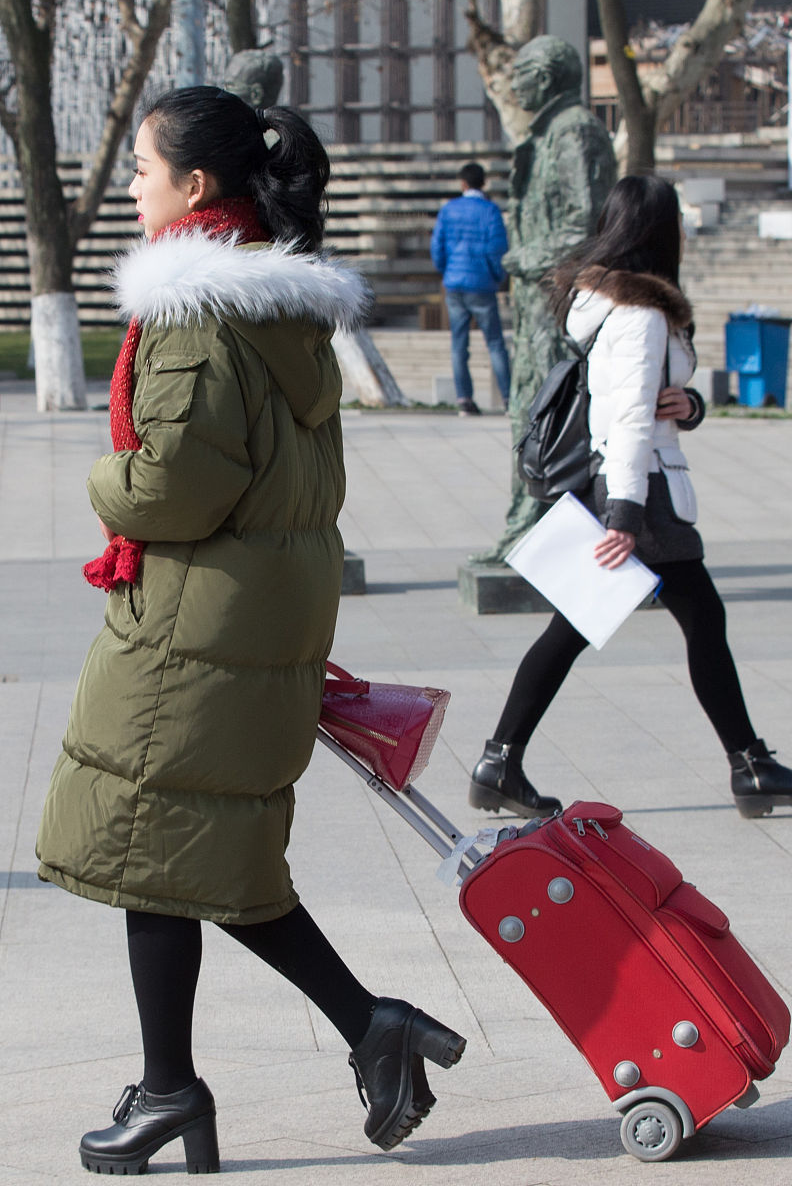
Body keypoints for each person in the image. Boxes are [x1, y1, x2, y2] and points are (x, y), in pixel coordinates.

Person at [35, 86, 465, 1176]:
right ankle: (224, 1071)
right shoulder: (280, 309)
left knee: (156, 845)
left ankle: (228, 1073)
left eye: (142, 166)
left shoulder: (189, 310)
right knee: (185, 850)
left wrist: (100, 476)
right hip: (245, 616)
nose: (130, 183)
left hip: (196, 628)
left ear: (194, 186)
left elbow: (174, 483)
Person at [469, 176, 792, 822]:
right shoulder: (638, 314)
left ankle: (500, 761)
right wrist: (627, 517)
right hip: (640, 492)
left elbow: (650, 403)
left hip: (627, 484)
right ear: (659, 233)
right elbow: (631, 418)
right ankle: (747, 765)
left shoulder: (613, 305)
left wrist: (687, 405)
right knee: (691, 618)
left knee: (587, 623)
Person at [473, 35, 615, 563]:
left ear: (549, 76)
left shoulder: (575, 131)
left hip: (562, 302)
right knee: (532, 417)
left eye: (524, 72)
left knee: (548, 420)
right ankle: (530, 529)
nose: (514, 83)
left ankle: (540, 535)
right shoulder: (549, 132)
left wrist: (522, 258)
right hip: (541, 302)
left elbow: (587, 223)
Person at [430, 161, 511, 414]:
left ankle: (464, 399)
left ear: (462, 183)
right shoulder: (490, 211)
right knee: (495, 343)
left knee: (459, 344)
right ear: (483, 183)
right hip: (482, 284)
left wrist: (447, 270)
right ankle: (509, 398)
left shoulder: (448, 210)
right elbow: (496, 249)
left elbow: (437, 247)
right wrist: (497, 276)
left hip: (454, 284)